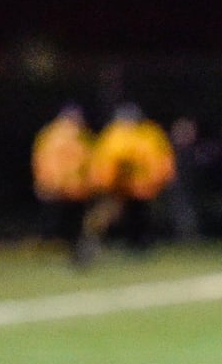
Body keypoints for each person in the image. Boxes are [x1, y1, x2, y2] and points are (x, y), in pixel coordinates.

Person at [86, 102, 177, 252]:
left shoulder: (149, 133)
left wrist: (162, 178)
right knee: (107, 216)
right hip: (117, 186)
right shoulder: (114, 134)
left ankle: (140, 244)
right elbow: (104, 160)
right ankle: (97, 242)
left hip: (143, 186)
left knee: (141, 216)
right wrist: (102, 182)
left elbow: (161, 157)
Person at [30, 104, 95, 261]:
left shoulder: (49, 134)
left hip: (59, 186)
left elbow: (40, 160)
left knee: (56, 223)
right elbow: (87, 161)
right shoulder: (77, 136)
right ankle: (67, 252)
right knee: (68, 224)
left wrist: (45, 183)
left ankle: (55, 252)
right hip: (70, 187)